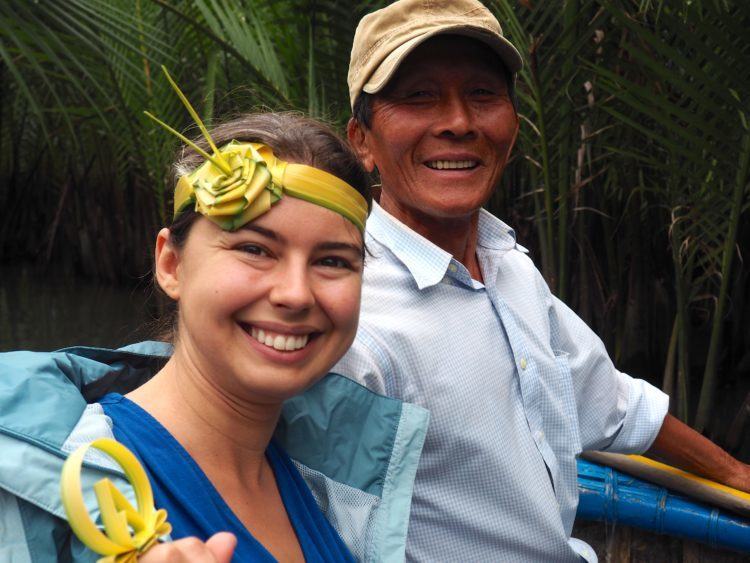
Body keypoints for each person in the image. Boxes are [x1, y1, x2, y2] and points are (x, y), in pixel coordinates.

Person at [333, 0, 750, 561]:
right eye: (419, 97)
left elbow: (614, 402)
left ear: (512, 121)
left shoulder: (508, 268)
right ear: (361, 140)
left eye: (482, 94)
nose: (459, 121)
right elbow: (343, 532)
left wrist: (737, 475)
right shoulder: (352, 319)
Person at [0, 103, 429, 561]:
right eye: (254, 249)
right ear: (172, 264)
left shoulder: (335, 488)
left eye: (332, 261)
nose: (296, 294)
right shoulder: (37, 488)